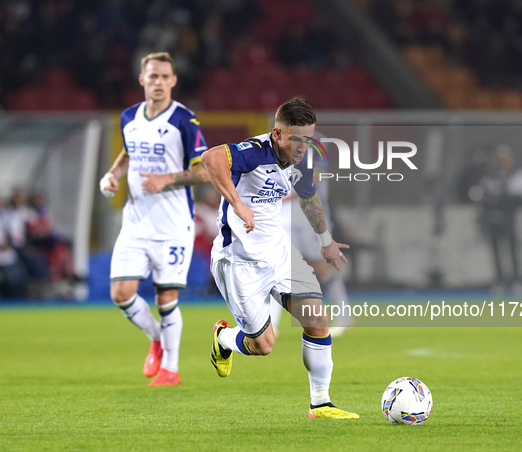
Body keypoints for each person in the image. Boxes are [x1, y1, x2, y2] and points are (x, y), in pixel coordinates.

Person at [201, 97, 358, 419]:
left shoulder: (302, 161)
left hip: (280, 253)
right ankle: (223, 338)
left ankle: (321, 403)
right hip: (239, 260)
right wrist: (238, 204)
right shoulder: (254, 152)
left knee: (316, 320)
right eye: (296, 139)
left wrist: (325, 242)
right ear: (276, 134)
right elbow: (211, 158)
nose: (302, 147)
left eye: (308, 139)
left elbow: (309, 199)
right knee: (263, 345)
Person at [98, 52, 208, 386]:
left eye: (165, 77)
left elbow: (205, 170)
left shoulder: (185, 122)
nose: (158, 82)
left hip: (173, 226)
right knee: (120, 293)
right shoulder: (128, 117)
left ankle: (170, 370)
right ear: (142, 79)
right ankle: (157, 338)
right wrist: (112, 174)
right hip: (135, 224)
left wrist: (167, 180)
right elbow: (129, 154)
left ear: (173, 81)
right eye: (153, 76)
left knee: (166, 298)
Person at [272, 133, 353, 337]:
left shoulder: (317, 144)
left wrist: (281, 198)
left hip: (311, 216)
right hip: (285, 218)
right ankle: (271, 323)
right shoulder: (276, 143)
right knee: (277, 264)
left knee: (323, 267)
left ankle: (345, 314)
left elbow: (313, 179)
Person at [477, 145, 522, 294]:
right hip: (493, 217)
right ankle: (499, 281)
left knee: (514, 249)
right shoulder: (491, 175)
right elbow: (481, 194)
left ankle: (517, 280)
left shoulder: (520, 175)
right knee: (496, 251)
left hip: (511, 217)